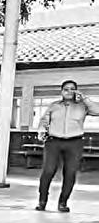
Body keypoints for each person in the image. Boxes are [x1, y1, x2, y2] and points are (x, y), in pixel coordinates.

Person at [36, 80, 99, 212]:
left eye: (72, 89)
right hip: (53, 142)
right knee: (48, 171)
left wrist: (85, 99)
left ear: (76, 91)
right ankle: (42, 201)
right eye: (66, 89)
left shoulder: (83, 106)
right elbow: (44, 120)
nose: (69, 91)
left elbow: (97, 110)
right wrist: (41, 129)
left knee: (70, 173)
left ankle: (63, 203)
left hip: (74, 143)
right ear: (61, 91)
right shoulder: (54, 106)